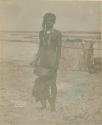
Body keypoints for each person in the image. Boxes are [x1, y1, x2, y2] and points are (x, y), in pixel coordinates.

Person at [31, 13, 62, 112]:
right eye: (47, 20)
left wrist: (56, 64)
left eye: (51, 20)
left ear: (54, 21)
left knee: (52, 84)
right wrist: (35, 60)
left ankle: (53, 106)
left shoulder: (58, 34)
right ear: (45, 21)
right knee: (41, 84)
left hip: (52, 62)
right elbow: (40, 48)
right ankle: (44, 105)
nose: (49, 22)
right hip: (43, 62)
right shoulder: (41, 33)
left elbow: (59, 50)